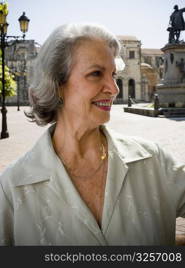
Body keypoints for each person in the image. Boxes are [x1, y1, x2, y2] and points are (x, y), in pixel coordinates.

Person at [0, 23, 185, 246]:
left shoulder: (153, 161)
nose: (113, 88)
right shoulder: (12, 188)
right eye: (96, 74)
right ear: (57, 84)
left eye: (113, 75)